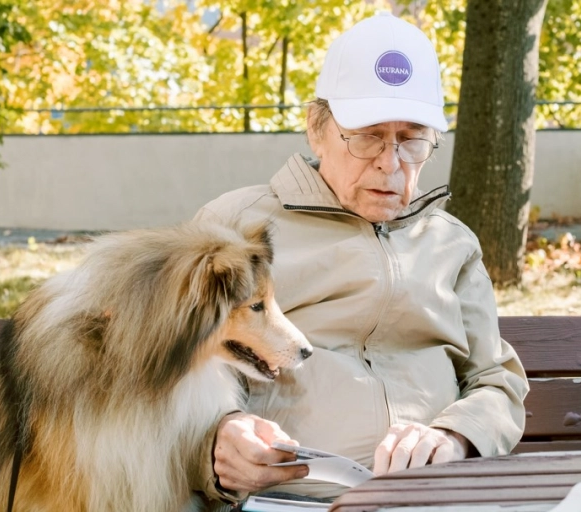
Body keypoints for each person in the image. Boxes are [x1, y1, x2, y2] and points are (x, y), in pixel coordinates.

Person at [191, 11, 529, 507]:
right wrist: (216, 443)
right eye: (368, 134)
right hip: (289, 501)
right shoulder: (233, 228)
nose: (390, 163)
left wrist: (456, 436)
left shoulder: (451, 243)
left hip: (433, 499)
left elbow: (495, 380)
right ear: (317, 128)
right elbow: (165, 376)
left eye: (410, 138)